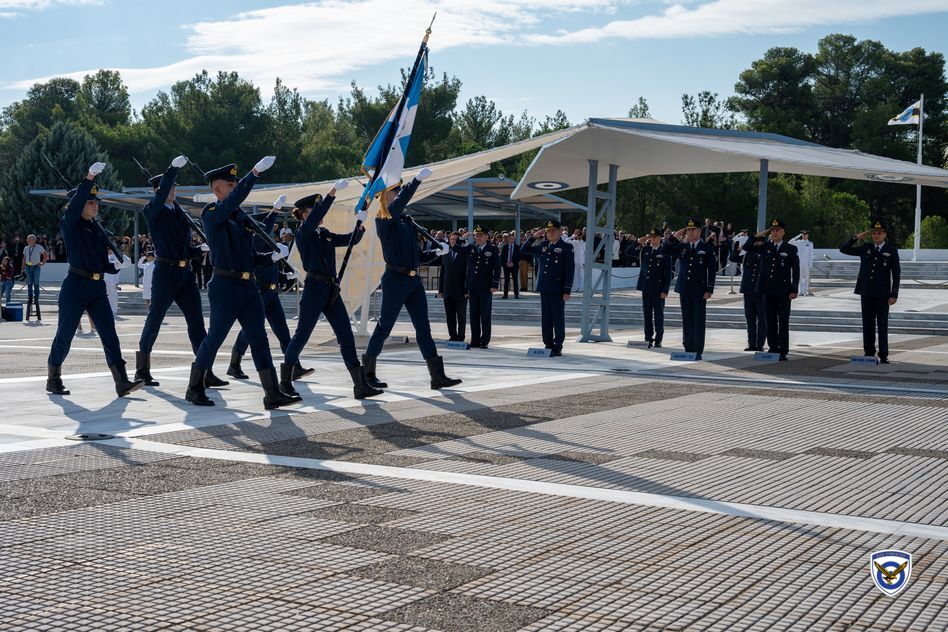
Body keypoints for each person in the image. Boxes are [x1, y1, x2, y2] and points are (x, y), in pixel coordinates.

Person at [186, 158, 298, 410]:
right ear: (217, 190)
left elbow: (250, 256)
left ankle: (272, 393)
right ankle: (194, 387)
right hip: (225, 286)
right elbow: (234, 201)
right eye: (231, 185)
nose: (235, 188)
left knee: (259, 338)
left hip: (248, 286)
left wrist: (271, 257)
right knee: (215, 337)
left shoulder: (239, 217)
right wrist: (254, 173)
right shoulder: (211, 214)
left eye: (236, 184)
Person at [45, 162, 142, 397]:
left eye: (96, 201)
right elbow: (76, 203)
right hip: (76, 286)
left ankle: (121, 381)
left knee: (109, 333)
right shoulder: (70, 225)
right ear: (78, 205)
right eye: (90, 202)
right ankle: (53, 378)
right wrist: (89, 177)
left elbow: (101, 264)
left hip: (97, 287)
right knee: (65, 334)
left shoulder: (97, 229)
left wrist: (116, 266)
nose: (95, 205)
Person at [362, 168, 461, 390]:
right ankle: (367, 373)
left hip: (413, 281)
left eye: (399, 190)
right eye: (395, 191)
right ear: (384, 195)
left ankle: (437, 376)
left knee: (423, 328)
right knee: (384, 327)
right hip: (395, 279)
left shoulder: (406, 222)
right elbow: (397, 205)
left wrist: (436, 253)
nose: (398, 194)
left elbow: (417, 257)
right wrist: (415, 181)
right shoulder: (383, 219)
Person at [281, 184, 382, 399]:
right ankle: (285, 382)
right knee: (302, 335)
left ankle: (359, 385)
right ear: (305, 215)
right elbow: (318, 214)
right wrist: (331, 193)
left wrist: (360, 224)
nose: (321, 215)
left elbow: (349, 240)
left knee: (346, 335)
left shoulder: (324, 233)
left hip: (331, 288)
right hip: (314, 289)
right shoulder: (303, 233)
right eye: (315, 210)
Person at [227, 194, 310, 385]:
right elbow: (262, 257)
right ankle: (234, 363)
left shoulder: (268, 239)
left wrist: (285, 275)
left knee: (283, 331)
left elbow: (271, 266)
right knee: (249, 330)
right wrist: (275, 210)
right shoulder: (255, 240)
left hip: (272, 293)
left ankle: (294, 366)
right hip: (259, 292)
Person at [840, 220, 900, 364]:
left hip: (883, 293)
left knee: (882, 324)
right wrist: (855, 238)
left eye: (879, 233)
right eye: (874, 233)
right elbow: (844, 249)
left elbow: (896, 274)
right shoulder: (865, 247)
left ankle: (883, 353)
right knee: (867, 323)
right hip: (866, 291)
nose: (876, 235)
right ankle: (869, 352)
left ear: (884, 234)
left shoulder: (891, 251)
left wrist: (894, 294)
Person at [742, 219, 799, 361]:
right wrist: (757, 235)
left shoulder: (790, 249)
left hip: (784, 291)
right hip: (767, 290)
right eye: (772, 230)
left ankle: (783, 350)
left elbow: (796, 270)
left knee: (783, 321)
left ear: (783, 232)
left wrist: (794, 288)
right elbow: (747, 247)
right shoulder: (765, 246)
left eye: (777, 230)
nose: (775, 233)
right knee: (770, 320)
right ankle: (773, 347)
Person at [665, 218, 717, 360]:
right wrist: (674, 237)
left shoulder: (706, 248)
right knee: (686, 319)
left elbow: (712, 270)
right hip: (684, 288)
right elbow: (665, 250)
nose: (690, 232)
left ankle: (697, 349)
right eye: (688, 230)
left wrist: (709, 289)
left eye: (693, 230)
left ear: (699, 231)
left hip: (699, 289)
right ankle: (687, 347)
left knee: (698, 319)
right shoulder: (682, 246)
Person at [520, 219, 574, 356]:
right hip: (544, 287)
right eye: (548, 231)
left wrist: (567, 290)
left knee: (558, 319)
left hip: (558, 288)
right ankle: (548, 344)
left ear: (560, 231)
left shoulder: (566, 247)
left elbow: (569, 270)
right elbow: (523, 249)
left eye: (553, 231)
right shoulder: (543, 245)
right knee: (546, 319)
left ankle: (558, 345)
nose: (550, 233)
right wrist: (533, 237)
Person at [453, 225, 500, 349]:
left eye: (480, 235)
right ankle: (475, 340)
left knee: (485, 315)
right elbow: (456, 249)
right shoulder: (471, 248)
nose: (478, 238)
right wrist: (461, 239)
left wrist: (494, 284)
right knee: (473, 314)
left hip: (486, 286)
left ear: (487, 236)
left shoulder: (493, 249)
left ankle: (484, 340)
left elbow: (497, 268)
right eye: (476, 235)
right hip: (472, 285)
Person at [636, 228, 672, 348]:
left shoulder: (664, 251)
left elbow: (668, 273)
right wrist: (641, 240)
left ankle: (658, 338)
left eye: (654, 237)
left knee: (658, 315)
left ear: (660, 238)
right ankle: (648, 338)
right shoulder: (645, 250)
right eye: (650, 236)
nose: (652, 239)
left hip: (658, 288)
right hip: (646, 287)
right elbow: (628, 251)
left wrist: (665, 289)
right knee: (647, 314)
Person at [729, 239, 766, 351]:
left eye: (758, 242)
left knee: (762, 319)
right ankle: (751, 343)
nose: (756, 244)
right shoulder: (746, 255)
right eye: (754, 242)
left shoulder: (765, 254)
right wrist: (738, 249)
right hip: (748, 290)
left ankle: (760, 344)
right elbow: (732, 258)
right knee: (750, 318)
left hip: (761, 291)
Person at [437, 231, 468, 341]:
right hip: (448, 290)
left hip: (460, 291)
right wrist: (441, 290)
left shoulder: (465, 254)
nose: (453, 241)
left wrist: (466, 290)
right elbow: (443, 273)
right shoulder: (446, 253)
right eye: (451, 239)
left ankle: (461, 336)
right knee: (449, 316)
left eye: (455, 239)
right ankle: (452, 336)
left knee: (461, 315)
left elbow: (467, 274)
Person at [22, 234, 48, 321]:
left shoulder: (39, 247)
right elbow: (24, 258)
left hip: (36, 266)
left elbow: (45, 254)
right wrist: (23, 267)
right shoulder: (26, 248)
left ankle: (36, 298)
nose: (30, 241)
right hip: (28, 266)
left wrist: (42, 263)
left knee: (36, 283)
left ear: (35, 240)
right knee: (29, 283)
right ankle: (30, 297)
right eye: (29, 239)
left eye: (32, 239)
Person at [790, 230, 814, 296]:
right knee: (800, 277)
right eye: (803, 234)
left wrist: (810, 263)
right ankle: (801, 291)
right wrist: (798, 235)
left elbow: (811, 254)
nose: (804, 236)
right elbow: (790, 242)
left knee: (806, 277)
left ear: (808, 235)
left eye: (805, 234)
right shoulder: (798, 242)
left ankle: (806, 291)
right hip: (799, 262)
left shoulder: (810, 243)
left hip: (806, 262)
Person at [499, 232, 521, 299]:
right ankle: (505, 294)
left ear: (514, 239)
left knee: (515, 280)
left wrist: (513, 263)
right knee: (506, 280)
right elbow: (502, 257)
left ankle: (516, 294)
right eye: (510, 238)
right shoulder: (505, 247)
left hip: (514, 266)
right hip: (506, 265)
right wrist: (506, 263)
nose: (511, 240)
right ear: (508, 239)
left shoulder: (517, 247)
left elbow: (519, 257)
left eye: (512, 238)